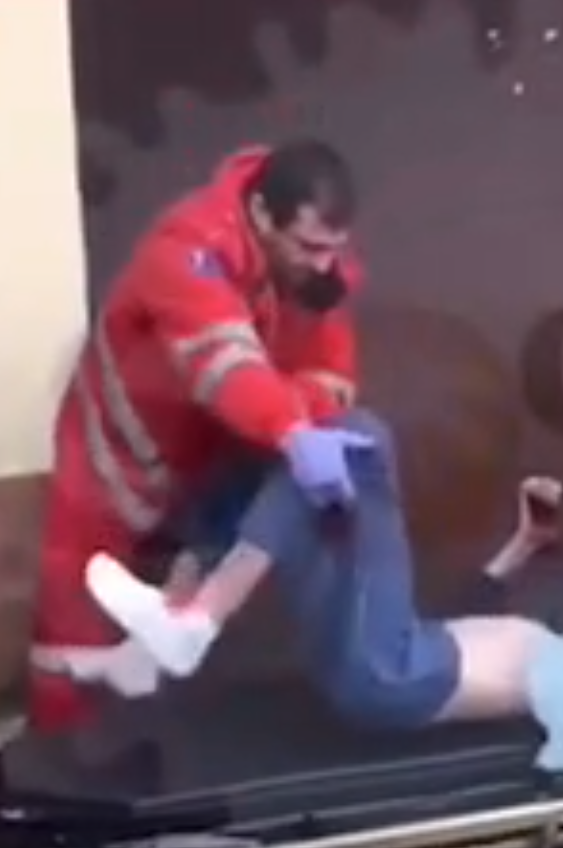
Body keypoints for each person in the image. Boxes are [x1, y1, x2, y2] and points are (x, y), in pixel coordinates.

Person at [84, 413, 563, 728]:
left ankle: (192, 624)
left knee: (360, 444)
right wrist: (523, 545)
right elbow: (459, 623)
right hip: (393, 658)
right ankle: (168, 632)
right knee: (289, 462)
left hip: (393, 675)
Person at [31, 139, 374, 732]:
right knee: (74, 619)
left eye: (333, 249)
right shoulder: (185, 250)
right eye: (310, 248)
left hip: (219, 444)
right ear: (262, 214)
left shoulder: (314, 265)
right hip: (116, 456)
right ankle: (60, 756)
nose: (325, 266)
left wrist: (296, 419)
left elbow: (330, 373)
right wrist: (291, 426)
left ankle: (179, 619)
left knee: (286, 470)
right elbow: (223, 365)